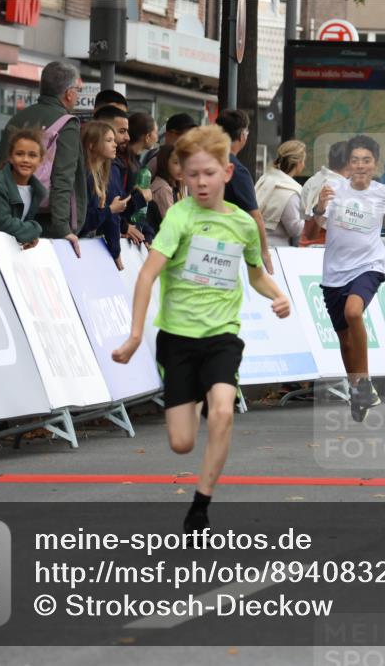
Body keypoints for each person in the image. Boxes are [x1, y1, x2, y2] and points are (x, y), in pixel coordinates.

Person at [112, 126, 290, 535]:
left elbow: (256, 275)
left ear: (227, 173)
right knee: (182, 443)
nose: (201, 182)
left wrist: (278, 295)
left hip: (221, 336)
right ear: (183, 176)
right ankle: (198, 396)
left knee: (223, 412)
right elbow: (147, 275)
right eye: (192, 175)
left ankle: (201, 505)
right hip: (177, 339)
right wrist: (136, 335)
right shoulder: (180, 217)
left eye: (209, 173)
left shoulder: (243, 224)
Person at [310, 135, 385, 421]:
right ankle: (357, 389)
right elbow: (312, 229)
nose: (360, 165)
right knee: (345, 340)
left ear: (375, 164)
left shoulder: (384, 194)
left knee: (353, 312)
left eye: (366, 160)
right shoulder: (333, 189)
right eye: (355, 160)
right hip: (334, 273)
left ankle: (365, 382)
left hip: (368, 266)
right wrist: (319, 207)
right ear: (348, 163)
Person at [0, 61, 85, 256]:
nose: (77, 96)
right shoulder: (67, 124)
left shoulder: (18, 118)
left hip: (12, 217)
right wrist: (63, 228)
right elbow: (63, 178)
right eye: (78, 91)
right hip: (46, 223)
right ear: (69, 93)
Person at [215, 109, 272, 272]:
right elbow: (255, 216)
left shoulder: (205, 162)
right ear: (242, 136)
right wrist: (264, 252)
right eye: (247, 132)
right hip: (227, 249)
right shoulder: (237, 171)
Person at [0, 128, 45, 247]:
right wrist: (35, 229)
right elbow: (3, 225)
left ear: (40, 160)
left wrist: (30, 237)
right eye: (19, 154)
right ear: (10, 157)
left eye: (32, 155)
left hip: (10, 251)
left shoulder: (37, 191)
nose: (26, 160)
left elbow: (22, 230)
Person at [94, 105, 149, 244]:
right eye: (122, 131)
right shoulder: (100, 168)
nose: (128, 137)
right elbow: (112, 209)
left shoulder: (119, 164)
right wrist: (123, 227)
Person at [78, 120, 127, 269]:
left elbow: (109, 220)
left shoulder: (103, 174)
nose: (115, 144)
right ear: (91, 145)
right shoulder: (84, 176)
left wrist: (116, 251)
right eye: (109, 140)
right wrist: (110, 210)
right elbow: (82, 222)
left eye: (114, 140)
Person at [255, 140, 306, 247]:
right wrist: (310, 218)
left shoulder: (265, 179)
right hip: (276, 249)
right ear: (298, 163)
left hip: (255, 243)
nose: (304, 165)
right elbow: (295, 230)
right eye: (303, 161)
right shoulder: (290, 191)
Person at [299, 140, 348, 247]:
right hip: (324, 247)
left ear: (329, 159)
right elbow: (317, 228)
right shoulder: (338, 186)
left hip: (305, 247)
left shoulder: (313, 180)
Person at [149, 143, 183, 228]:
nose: (181, 168)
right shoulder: (163, 189)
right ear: (165, 163)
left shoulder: (173, 186)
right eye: (176, 163)